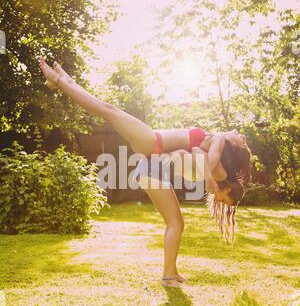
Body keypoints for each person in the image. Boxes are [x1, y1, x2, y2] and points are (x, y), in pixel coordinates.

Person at [39, 55, 251, 287]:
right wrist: (208, 176)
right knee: (108, 110)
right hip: (153, 149)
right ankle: (60, 80)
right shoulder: (216, 148)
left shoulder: (215, 152)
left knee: (107, 110)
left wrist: (205, 174)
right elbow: (203, 157)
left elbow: (200, 156)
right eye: (225, 200)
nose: (239, 134)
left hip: (153, 150)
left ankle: (60, 80)